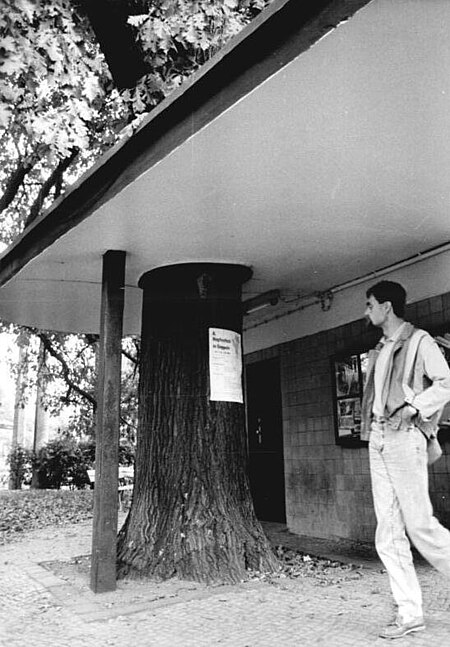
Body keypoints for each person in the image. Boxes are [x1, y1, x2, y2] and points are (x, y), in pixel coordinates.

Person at [361, 280, 450, 640]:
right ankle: (409, 614)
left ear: (387, 307)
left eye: (369, 305)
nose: (366, 311)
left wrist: (416, 408)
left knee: (420, 527)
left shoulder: (420, 340)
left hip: (404, 437)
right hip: (379, 438)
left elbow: (445, 381)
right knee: (388, 532)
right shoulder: (380, 348)